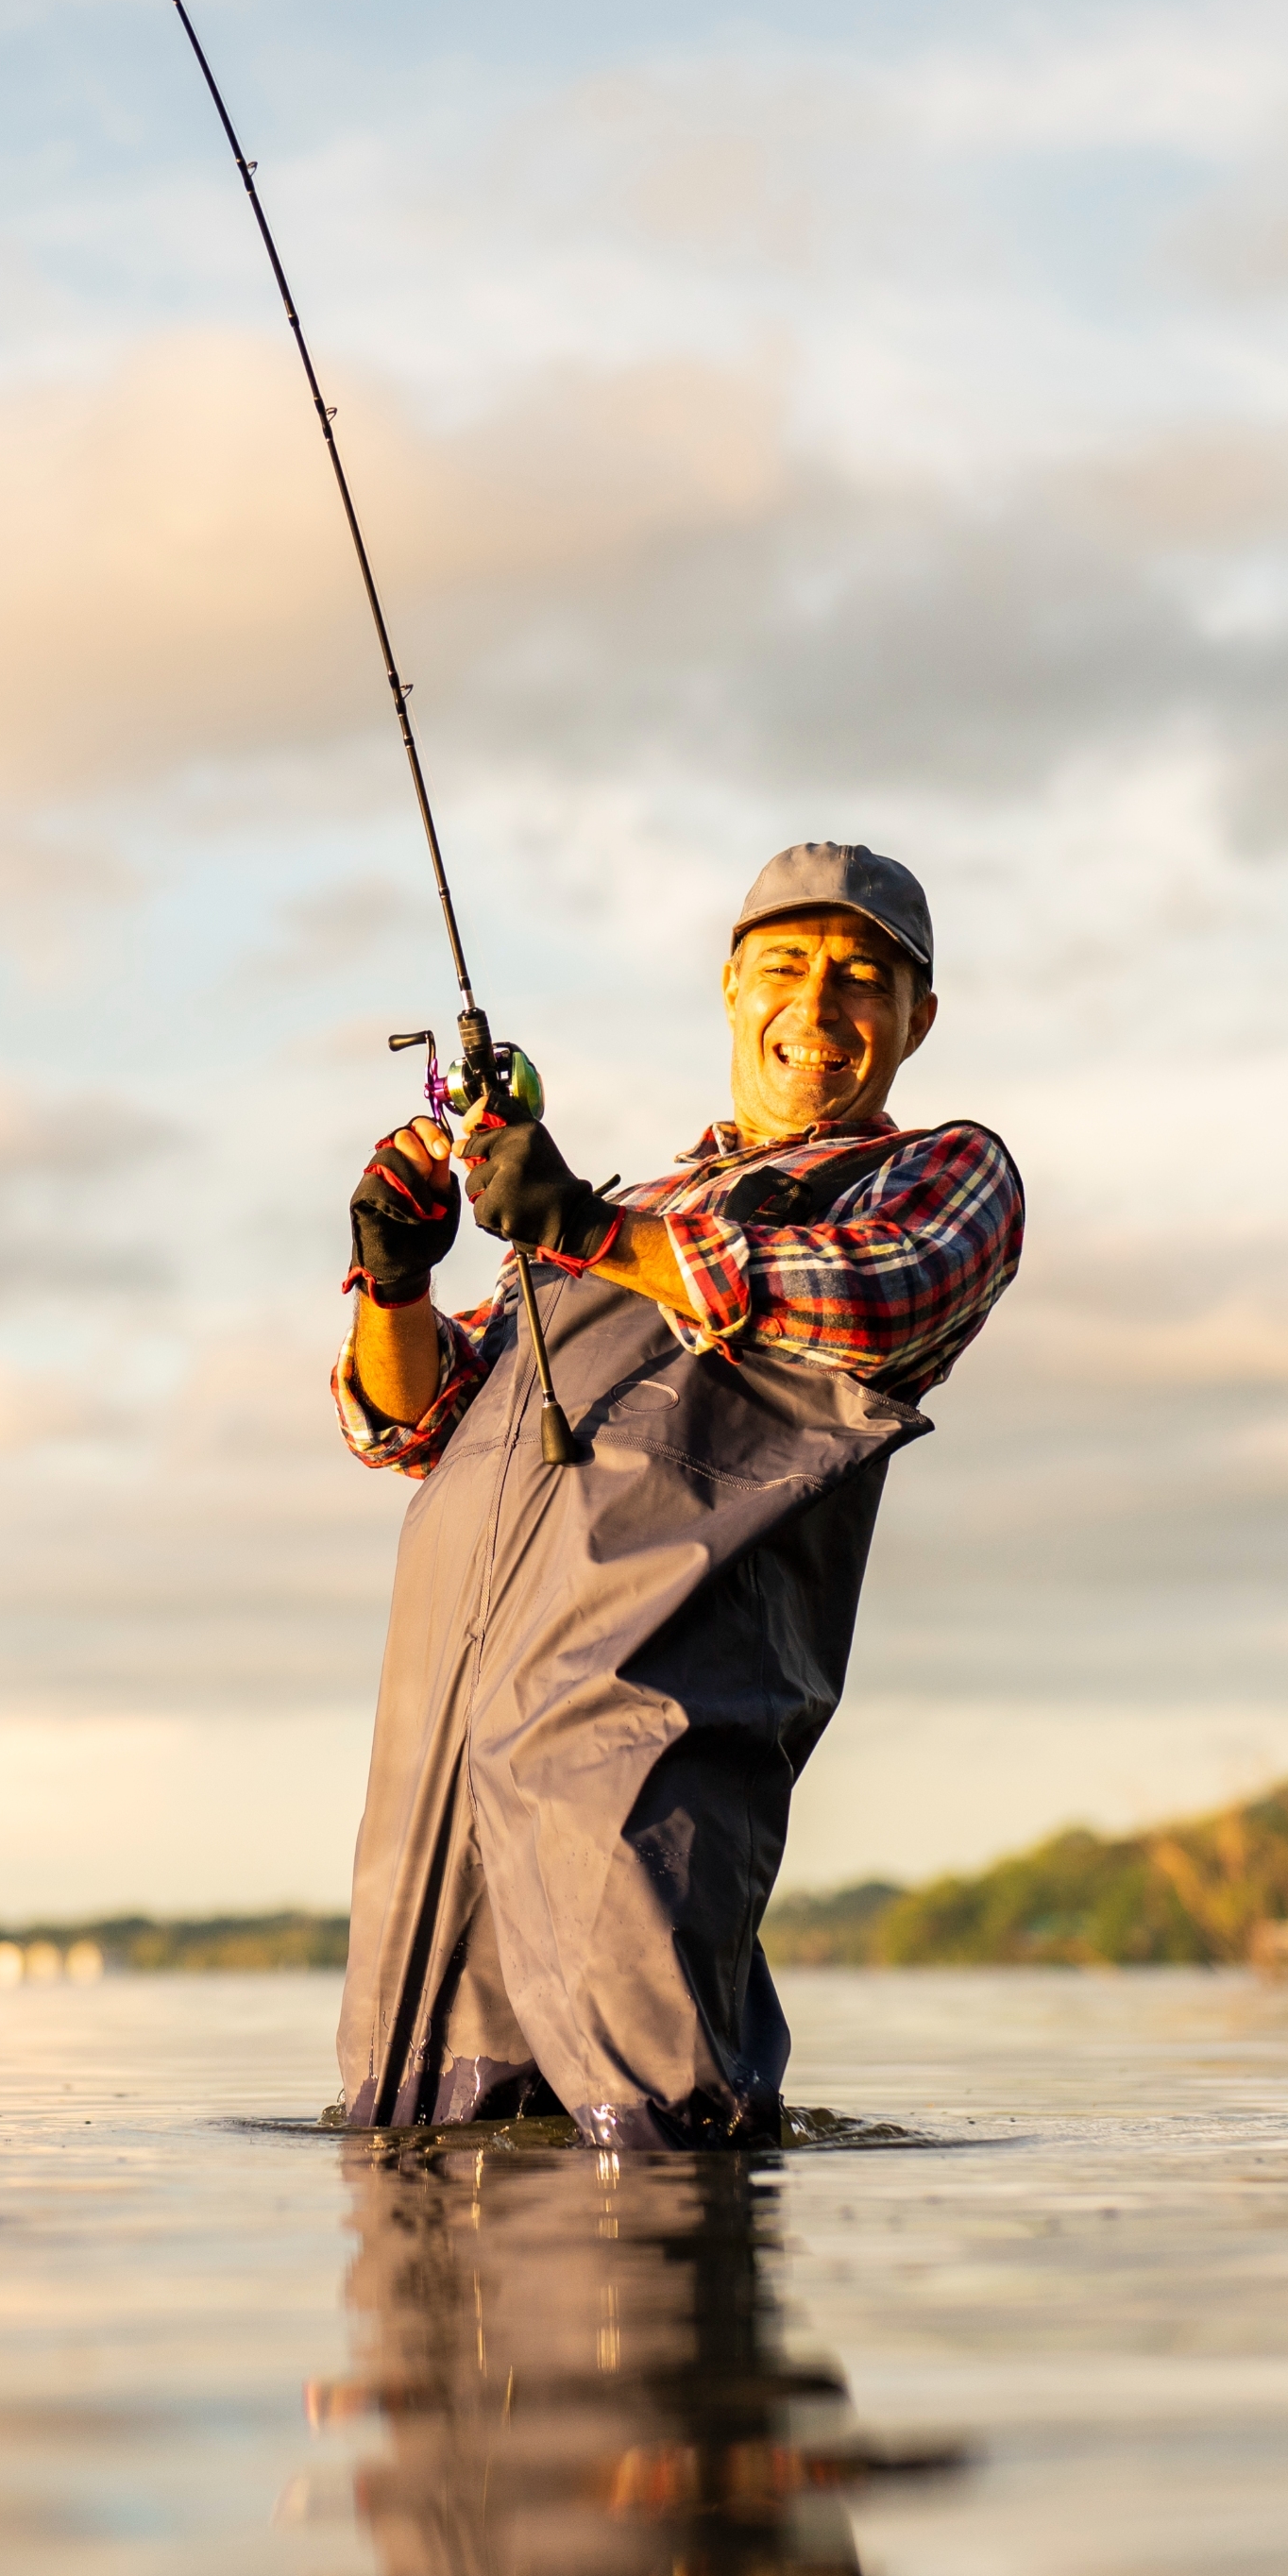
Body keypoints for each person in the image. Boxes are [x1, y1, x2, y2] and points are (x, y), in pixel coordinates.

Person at [324, 841, 1024, 2145]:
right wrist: (396, 1273)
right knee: (409, 2166)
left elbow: (878, 1298)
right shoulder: (629, 1210)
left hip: (635, 1763)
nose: (815, 1011)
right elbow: (404, 1420)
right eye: (783, 969)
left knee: (650, 2161)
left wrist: (580, 1224)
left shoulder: (938, 1173)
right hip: (437, 1787)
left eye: (862, 980)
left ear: (917, 1019)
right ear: (727, 991)